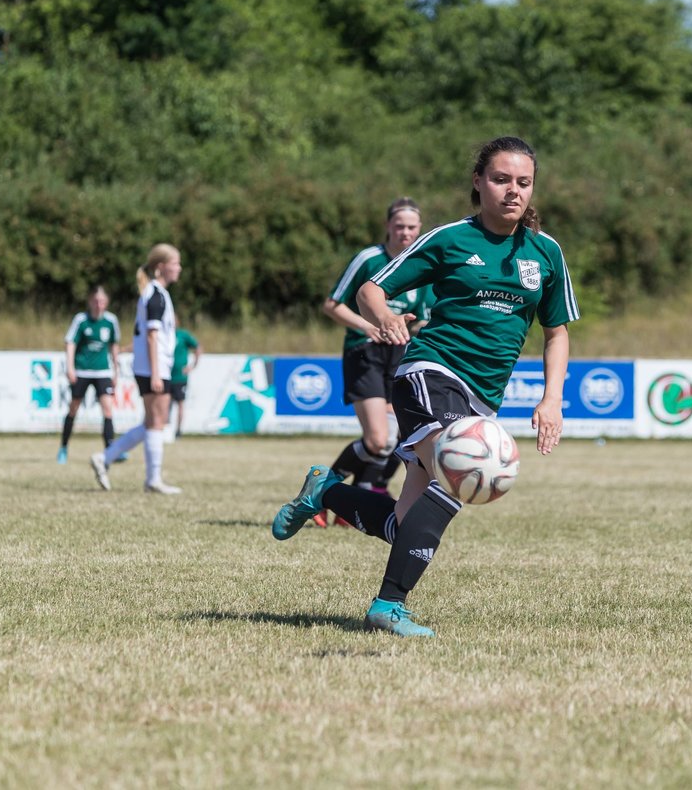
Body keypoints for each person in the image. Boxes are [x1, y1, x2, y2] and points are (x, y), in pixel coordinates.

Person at [271, 136, 579, 637]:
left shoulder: (545, 254)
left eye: (523, 182)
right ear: (478, 182)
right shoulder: (451, 238)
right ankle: (388, 606)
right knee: (463, 471)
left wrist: (552, 399)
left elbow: (557, 331)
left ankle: (326, 491)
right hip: (429, 373)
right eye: (500, 179)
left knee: (403, 524)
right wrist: (385, 315)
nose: (512, 191)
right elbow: (371, 289)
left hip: (480, 399)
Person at [315, 197, 434, 528]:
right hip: (364, 351)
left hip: (399, 357)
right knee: (378, 440)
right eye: (399, 226)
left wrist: (415, 328)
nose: (405, 233)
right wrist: (370, 325)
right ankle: (322, 489)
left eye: (411, 227)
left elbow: (422, 319)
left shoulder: (422, 266)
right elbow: (332, 304)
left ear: (419, 229)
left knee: (399, 436)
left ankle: (354, 497)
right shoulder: (369, 259)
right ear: (388, 227)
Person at [90, 244, 184, 494]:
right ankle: (152, 479)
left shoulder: (154, 293)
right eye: (175, 263)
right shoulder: (155, 295)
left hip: (152, 366)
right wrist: (155, 372)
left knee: (154, 422)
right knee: (156, 423)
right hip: (154, 368)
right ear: (161, 267)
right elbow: (153, 337)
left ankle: (105, 457)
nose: (179, 268)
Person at [58, 286, 121, 464]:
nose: (99, 305)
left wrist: (116, 371)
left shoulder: (111, 321)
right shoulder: (81, 320)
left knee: (108, 409)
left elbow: (114, 347)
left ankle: (110, 450)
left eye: (102, 301)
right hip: (82, 371)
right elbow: (70, 342)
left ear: (106, 302)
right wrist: (70, 367)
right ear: (90, 301)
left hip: (103, 372)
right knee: (74, 407)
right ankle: (63, 447)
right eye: (96, 301)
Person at [168, 326, 200, 439]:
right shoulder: (164, 334)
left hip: (179, 378)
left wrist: (193, 365)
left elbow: (198, 346)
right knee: (165, 404)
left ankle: (178, 431)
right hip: (165, 376)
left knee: (180, 403)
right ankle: (165, 430)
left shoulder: (183, 335)